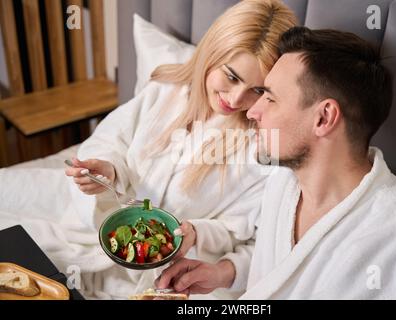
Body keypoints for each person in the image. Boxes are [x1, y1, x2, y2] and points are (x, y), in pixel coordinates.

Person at [0, 0, 296, 300]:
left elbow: (254, 238)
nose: (235, 99)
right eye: (231, 77)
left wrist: (196, 233)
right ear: (211, 54)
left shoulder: (264, 149)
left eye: (257, 90)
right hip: (97, 238)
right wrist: (109, 169)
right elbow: (112, 140)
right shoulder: (166, 90)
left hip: (172, 273)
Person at [155, 26, 396, 299]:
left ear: (323, 118)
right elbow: (287, 271)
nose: (251, 111)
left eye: (269, 98)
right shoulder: (283, 184)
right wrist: (224, 273)